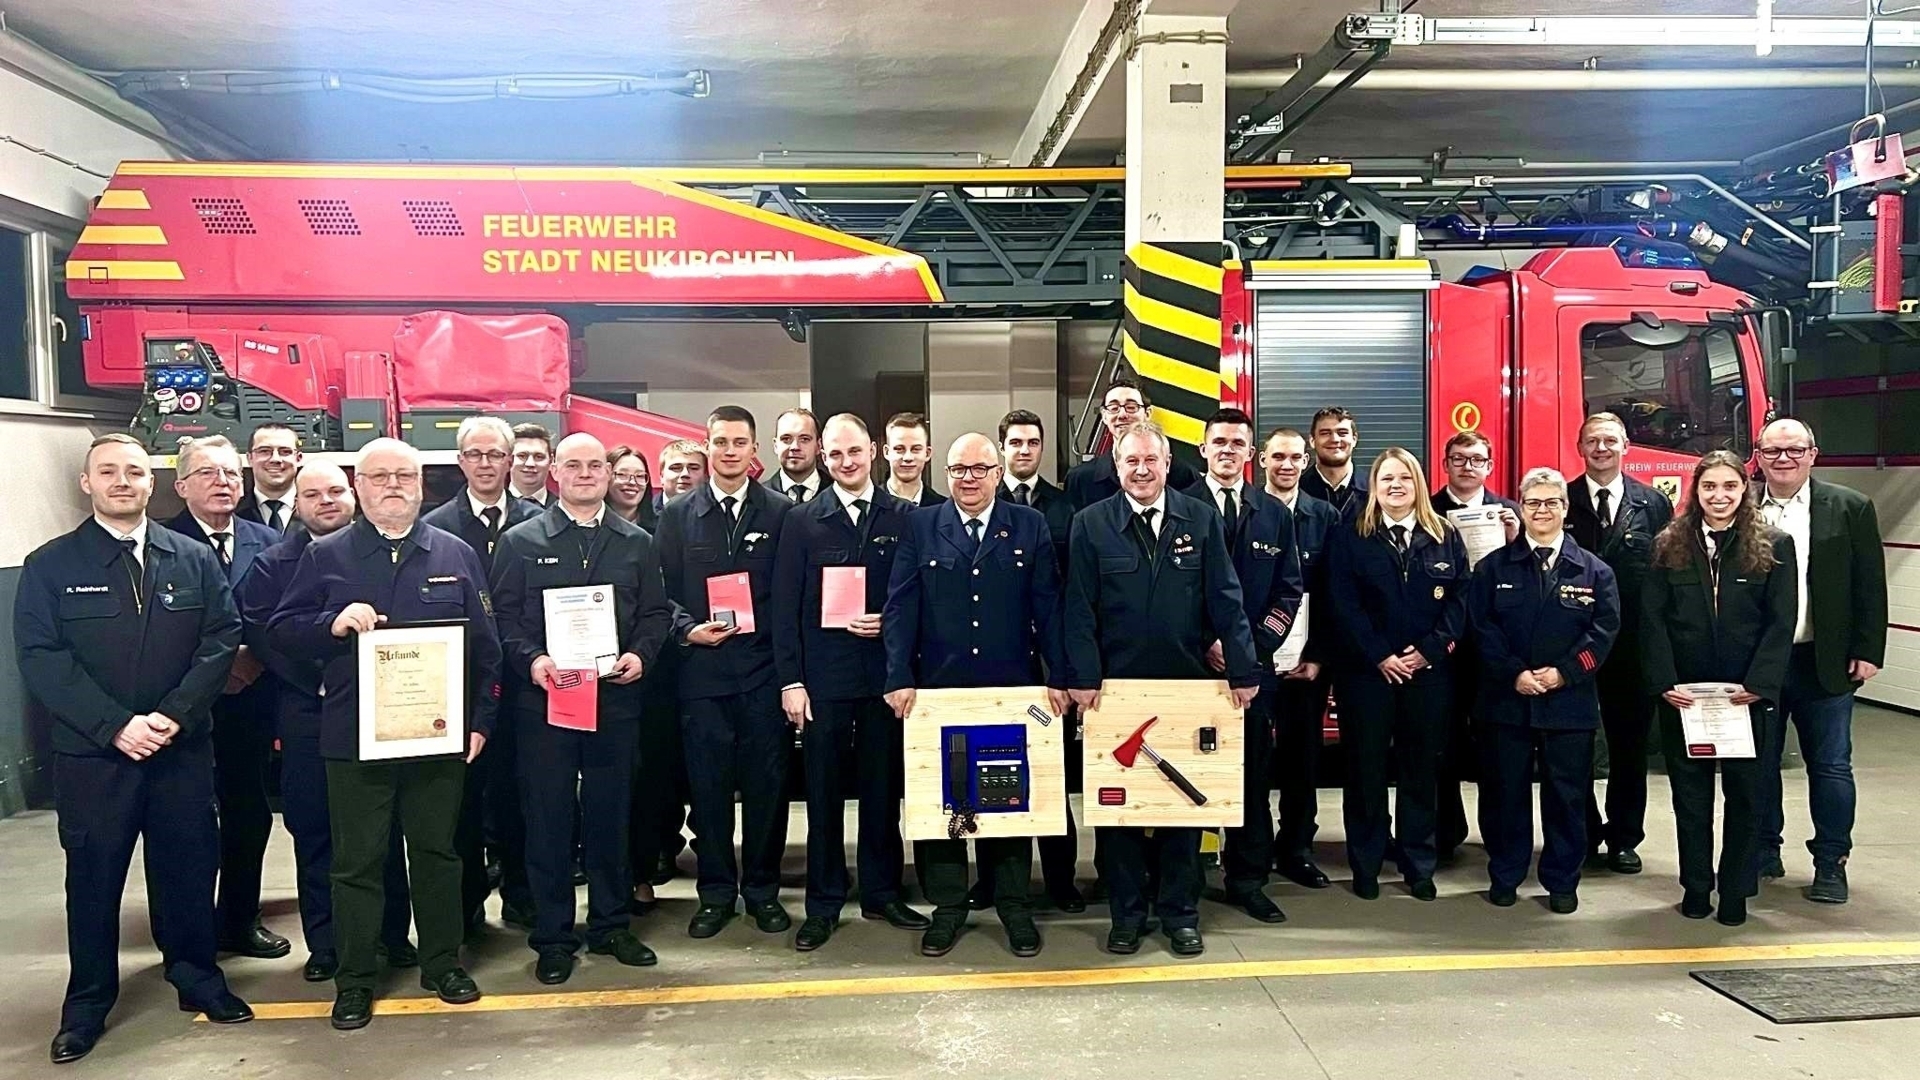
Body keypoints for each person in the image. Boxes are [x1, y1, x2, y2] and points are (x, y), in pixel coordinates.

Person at [15, 434, 253, 1064]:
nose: (124, 481)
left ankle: (198, 976)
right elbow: (41, 659)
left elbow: (221, 637)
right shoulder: (51, 565)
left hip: (180, 751)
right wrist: (115, 725)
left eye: (136, 472)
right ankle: (87, 1003)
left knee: (188, 869)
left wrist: (173, 716)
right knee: (93, 879)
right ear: (87, 484)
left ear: (154, 484)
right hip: (95, 758)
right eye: (109, 472)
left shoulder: (191, 557)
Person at [269, 438, 501, 1029]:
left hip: (437, 738)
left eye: (404, 475)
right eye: (379, 476)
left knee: (437, 855)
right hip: (355, 741)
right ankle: (355, 979)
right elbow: (282, 631)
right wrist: (331, 623)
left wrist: (480, 721)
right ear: (360, 485)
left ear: (421, 484)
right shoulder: (325, 555)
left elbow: (487, 649)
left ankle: (442, 963)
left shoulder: (454, 552)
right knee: (357, 863)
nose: (392, 485)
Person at [1063, 422, 1260, 957]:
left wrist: (1242, 671)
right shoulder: (1090, 524)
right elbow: (1078, 608)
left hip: (1185, 686)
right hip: (1114, 691)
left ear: (1168, 463)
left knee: (1180, 808)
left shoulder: (1200, 519)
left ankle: (1180, 912)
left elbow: (1225, 596)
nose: (1142, 470)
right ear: (1117, 466)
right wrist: (1082, 678)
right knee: (1118, 808)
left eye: (1152, 460)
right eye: (1131, 462)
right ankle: (1126, 915)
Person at [491, 433, 674, 983]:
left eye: (597, 465)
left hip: (614, 700)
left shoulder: (637, 542)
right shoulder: (520, 541)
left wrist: (642, 656)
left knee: (610, 814)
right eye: (574, 464)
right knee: (547, 817)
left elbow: (656, 614)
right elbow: (503, 618)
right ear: (554, 470)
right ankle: (552, 936)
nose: (587, 473)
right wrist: (534, 661)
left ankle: (611, 925)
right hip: (546, 702)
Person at [884, 432, 1069, 957]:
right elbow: (900, 607)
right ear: (947, 474)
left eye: (980, 469)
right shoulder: (920, 526)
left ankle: (1013, 905)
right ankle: (947, 908)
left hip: (1010, 690)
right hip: (936, 691)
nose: (969, 478)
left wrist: (1057, 675)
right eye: (959, 470)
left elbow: (1049, 607)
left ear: (996, 472)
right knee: (938, 801)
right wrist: (898, 676)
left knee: (1007, 798)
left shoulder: (1028, 525)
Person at [238, 462, 416, 983]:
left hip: (383, 712)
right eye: (312, 494)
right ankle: (327, 943)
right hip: (309, 713)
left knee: (386, 829)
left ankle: (392, 934)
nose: (326, 501)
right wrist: (323, 679)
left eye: (336, 490)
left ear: (354, 495)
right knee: (316, 832)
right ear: (296, 504)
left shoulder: (380, 556)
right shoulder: (274, 564)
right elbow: (268, 635)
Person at [772, 413, 929, 950]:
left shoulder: (905, 516)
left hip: (885, 680)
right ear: (823, 456)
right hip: (823, 683)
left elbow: (917, 598)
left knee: (884, 792)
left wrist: (888, 618)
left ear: (874, 452)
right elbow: (785, 608)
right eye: (835, 454)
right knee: (822, 797)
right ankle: (823, 902)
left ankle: (883, 892)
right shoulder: (801, 520)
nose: (845, 462)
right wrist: (792, 681)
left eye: (854, 452)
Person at [656, 405, 796, 939]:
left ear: (754, 450)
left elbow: (789, 599)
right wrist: (686, 628)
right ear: (707, 447)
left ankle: (761, 891)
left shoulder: (780, 513)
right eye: (720, 442)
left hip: (761, 675)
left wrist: (789, 677)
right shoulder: (676, 514)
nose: (730, 451)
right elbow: (660, 593)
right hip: (702, 676)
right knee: (709, 792)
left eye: (740, 442)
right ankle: (715, 893)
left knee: (767, 789)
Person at [1641, 450, 1797, 926]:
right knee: (1691, 801)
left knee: (1746, 798)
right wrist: (1665, 682)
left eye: (1730, 487)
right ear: (1696, 491)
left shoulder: (1774, 545)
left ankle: (1734, 891)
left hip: (1744, 699)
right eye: (1710, 487)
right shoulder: (1669, 543)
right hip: (1686, 699)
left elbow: (1781, 621)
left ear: (1744, 491)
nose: (1719, 496)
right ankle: (1696, 887)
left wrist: (1759, 683)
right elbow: (1652, 620)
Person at [1467, 467, 1621, 914]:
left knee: (1567, 797)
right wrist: (1514, 673)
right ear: (1521, 507)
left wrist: (1564, 673)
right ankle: (1506, 874)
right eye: (1533, 502)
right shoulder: (1492, 568)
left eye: (1551, 502)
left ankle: (1562, 880)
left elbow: (1604, 633)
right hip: (1505, 701)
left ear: (1565, 509)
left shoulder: (1595, 571)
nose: (1542, 510)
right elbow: (1482, 629)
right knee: (1503, 794)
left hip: (1568, 703)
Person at [1324, 447, 1470, 901]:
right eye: (1386, 479)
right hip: (1367, 677)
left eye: (1404, 478)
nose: (1395, 486)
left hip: (1427, 677)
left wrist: (1428, 653)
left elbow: (1460, 603)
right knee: (1364, 773)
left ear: (1419, 485)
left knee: (1420, 773)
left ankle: (1418, 865)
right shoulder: (1352, 535)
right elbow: (1342, 603)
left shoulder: (1444, 535)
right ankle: (1365, 865)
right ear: (1374, 486)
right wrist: (1380, 656)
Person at [1750, 419, 1886, 904]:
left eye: (1794, 450)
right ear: (1758, 456)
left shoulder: (1849, 507)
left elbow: (1870, 583)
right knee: (1759, 765)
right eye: (1772, 451)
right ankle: (1763, 851)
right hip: (1758, 664)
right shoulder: (1740, 506)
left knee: (1830, 766)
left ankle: (1831, 862)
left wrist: (1868, 651)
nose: (1783, 459)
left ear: (1813, 454)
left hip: (1824, 661)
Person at [163, 435, 286, 959]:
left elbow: (287, 609)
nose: (223, 482)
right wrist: (216, 663)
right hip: (182, 703)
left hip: (250, 700)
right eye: (208, 473)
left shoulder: (271, 541)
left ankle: (240, 917)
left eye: (231, 473)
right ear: (180, 485)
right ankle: (185, 930)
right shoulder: (159, 541)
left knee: (247, 813)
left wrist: (253, 656)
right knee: (183, 819)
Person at [1182, 408, 1303, 924]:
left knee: (1253, 777)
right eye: (1219, 443)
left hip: (1251, 676)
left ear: (1249, 455)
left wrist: (1246, 652)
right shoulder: (1178, 508)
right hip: (1189, 672)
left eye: (1238, 444)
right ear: (1203, 450)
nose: (1228, 451)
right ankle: (1184, 881)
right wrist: (1204, 643)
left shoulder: (1274, 514)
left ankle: (1248, 879)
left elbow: (1287, 591)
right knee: (1185, 779)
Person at [421, 415, 541, 933]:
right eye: (476, 454)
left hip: (528, 684)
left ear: (511, 460)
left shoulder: (541, 521)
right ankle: (466, 902)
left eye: (496, 454)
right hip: (460, 689)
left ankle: (522, 893)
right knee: (461, 803)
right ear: (460, 461)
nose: (487, 464)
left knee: (525, 794)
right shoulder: (436, 528)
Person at [1566, 412, 1674, 875]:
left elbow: (1667, 579)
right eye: (1593, 441)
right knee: (1574, 748)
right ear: (1580, 447)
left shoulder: (1652, 505)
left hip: (1631, 648)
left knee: (1629, 750)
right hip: (1572, 647)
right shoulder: (1562, 500)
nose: (1602, 448)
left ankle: (1625, 838)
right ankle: (1584, 834)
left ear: (1626, 445)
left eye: (1610, 440)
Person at [991, 407, 1085, 912]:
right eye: (1015, 443)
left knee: (1051, 775)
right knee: (993, 772)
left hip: (1047, 663)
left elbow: (1068, 593)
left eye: (1032, 443)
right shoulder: (983, 500)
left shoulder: (1064, 508)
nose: (1024, 451)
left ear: (1042, 448)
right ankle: (993, 881)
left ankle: (1061, 880)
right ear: (1001, 447)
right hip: (997, 661)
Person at [1429, 429, 1522, 862]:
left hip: (1494, 651)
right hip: (1443, 647)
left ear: (1490, 466)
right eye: (1459, 459)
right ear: (1445, 464)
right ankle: (1444, 834)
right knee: (1441, 745)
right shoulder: (1425, 509)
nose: (1468, 467)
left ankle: (1498, 837)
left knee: (1494, 749)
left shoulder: (1510, 514)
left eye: (1477, 459)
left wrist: (1514, 541)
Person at [1260, 427, 1339, 888]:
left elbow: (1334, 592)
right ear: (1263, 460)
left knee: (1301, 759)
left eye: (1294, 458)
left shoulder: (1324, 516)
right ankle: (1247, 845)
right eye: (1278, 457)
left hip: (1307, 665)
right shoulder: (1249, 511)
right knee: (1250, 759)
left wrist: (1318, 655)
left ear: (1306, 462)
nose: (1286, 465)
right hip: (1256, 661)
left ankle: (1296, 847)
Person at [1064, 377, 1198, 509]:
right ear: (1104, 416)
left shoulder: (1184, 475)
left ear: (1148, 413)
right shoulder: (1080, 479)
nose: (1122, 415)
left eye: (1131, 407)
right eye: (1113, 407)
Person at [235, 422, 303, 532]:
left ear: (298, 458)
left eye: (285, 451)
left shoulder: (318, 509)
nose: (275, 459)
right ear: (249, 458)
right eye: (264, 451)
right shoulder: (232, 512)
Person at [1299, 407, 1366, 514]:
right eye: (1325, 433)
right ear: (1312, 441)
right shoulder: (1297, 490)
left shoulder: (1374, 490)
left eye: (1342, 433)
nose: (1335, 439)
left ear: (1354, 439)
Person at [883, 412, 946, 507]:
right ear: (887, 452)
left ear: (927, 453)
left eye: (916, 449)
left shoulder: (943, 509)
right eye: (899, 449)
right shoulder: (868, 507)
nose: (908, 457)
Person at [769, 407, 827, 503]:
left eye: (804, 439)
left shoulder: (840, 494)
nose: (795, 447)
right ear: (776, 445)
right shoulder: (757, 498)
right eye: (786, 439)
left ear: (818, 445)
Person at [607, 444, 661, 533]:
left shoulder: (662, 528)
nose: (632, 482)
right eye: (622, 474)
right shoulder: (588, 524)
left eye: (640, 476)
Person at [510, 423, 555, 506]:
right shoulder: (491, 506)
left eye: (539, 456)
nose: (530, 463)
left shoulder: (565, 510)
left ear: (551, 461)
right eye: (522, 456)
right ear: (508, 459)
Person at [658, 439, 709, 506]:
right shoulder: (644, 513)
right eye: (676, 468)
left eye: (694, 468)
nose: (685, 474)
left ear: (706, 476)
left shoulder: (720, 512)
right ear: (662, 476)